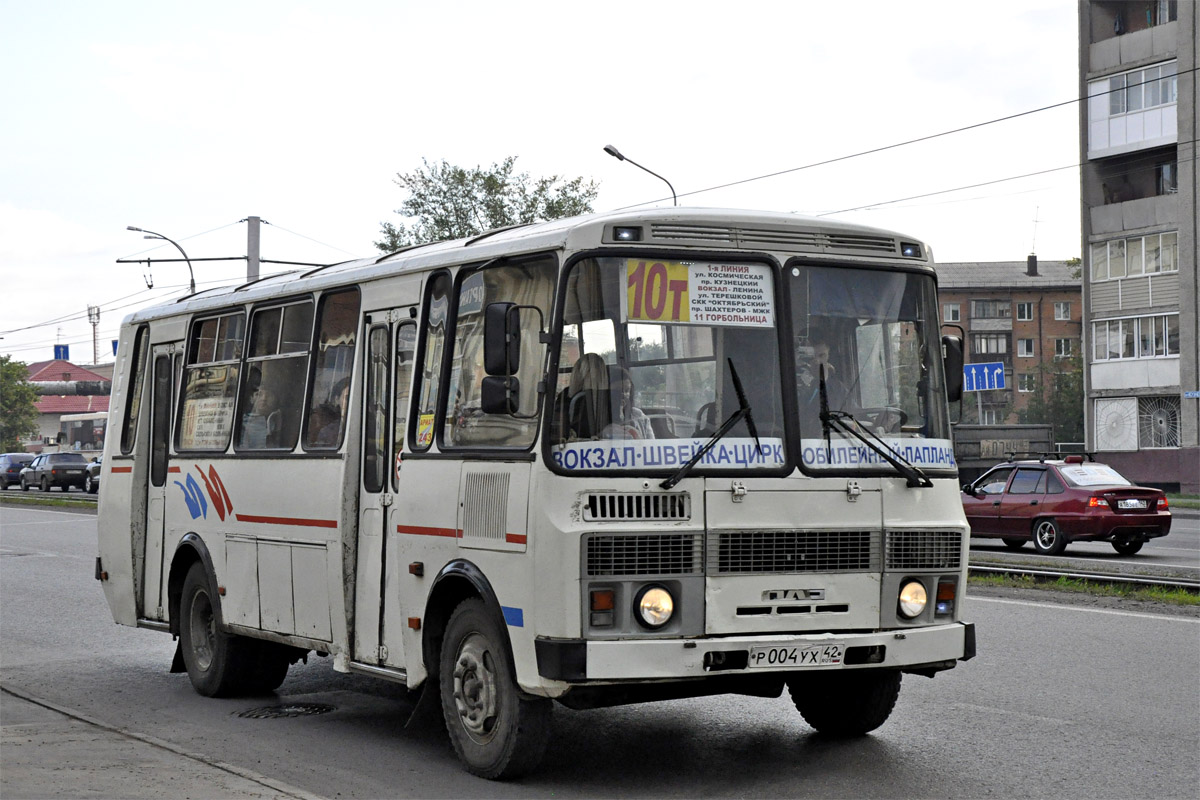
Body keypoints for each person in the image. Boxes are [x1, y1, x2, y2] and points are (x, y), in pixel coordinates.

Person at [606, 365, 654, 439]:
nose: (623, 395)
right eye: (617, 390)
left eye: (627, 390)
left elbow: (651, 444)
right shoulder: (599, 418)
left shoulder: (638, 415)